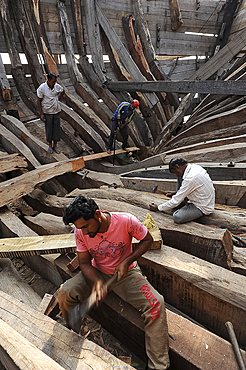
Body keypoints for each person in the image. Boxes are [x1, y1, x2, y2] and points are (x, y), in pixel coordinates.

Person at [58, 195, 170, 370]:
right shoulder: (81, 232)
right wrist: (96, 282)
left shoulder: (126, 221)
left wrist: (127, 261)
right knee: (65, 292)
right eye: (80, 228)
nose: (84, 232)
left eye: (86, 226)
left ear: (97, 215)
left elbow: (147, 240)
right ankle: (74, 332)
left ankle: (159, 366)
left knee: (156, 303)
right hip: (98, 272)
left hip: (126, 274)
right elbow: (85, 263)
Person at [149, 158, 215, 224]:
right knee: (180, 176)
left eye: (175, 172)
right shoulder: (193, 167)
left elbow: (175, 201)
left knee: (177, 217)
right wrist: (177, 193)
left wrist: (158, 208)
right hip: (202, 197)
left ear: (177, 167)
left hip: (202, 206)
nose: (176, 175)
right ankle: (183, 199)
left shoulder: (190, 178)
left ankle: (185, 204)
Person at [37, 72, 64, 154]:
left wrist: (57, 99)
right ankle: (50, 146)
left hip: (56, 110)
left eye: (55, 81)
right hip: (47, 111)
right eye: (53, 81)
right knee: (49, 129)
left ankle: (55, 146)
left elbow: (63, 91)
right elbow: (38, 101)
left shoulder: (56, 86)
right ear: (48, 80)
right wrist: (41, 114)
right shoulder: (42, 88)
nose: (54, 83)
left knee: (56, 129)